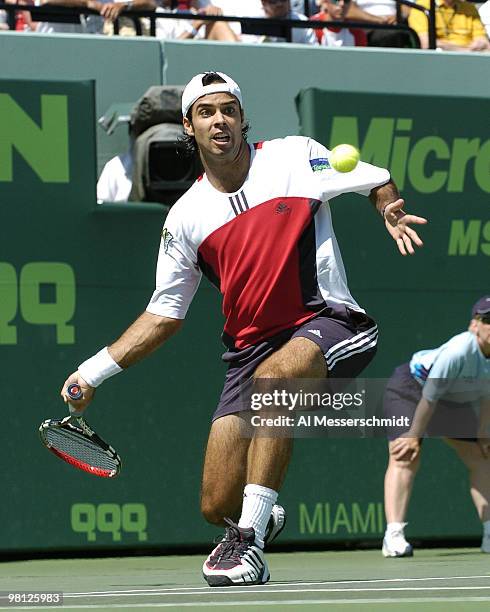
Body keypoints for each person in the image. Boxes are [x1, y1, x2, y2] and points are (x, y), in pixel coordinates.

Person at [61, 71, 426, 586]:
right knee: (216, 504)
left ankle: (249, 543)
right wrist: (91, 373)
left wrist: (388, 206)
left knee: (275, 385)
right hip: (248, 354)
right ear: (189, 126)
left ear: (242, 118)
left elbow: (375, 175)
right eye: (207, 112)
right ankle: (259, 513)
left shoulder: (294, 157)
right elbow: (163, 314)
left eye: (228, 109)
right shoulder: (185, 217)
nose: (220, 120)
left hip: (330, 323)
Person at [382, 296, 490, 558]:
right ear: (474, 325)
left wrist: (484, 434)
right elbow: (429, 397)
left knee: (480, 456)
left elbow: (487, 397)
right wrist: (414, 436)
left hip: (448, 400)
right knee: (407, 454)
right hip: (410, 390)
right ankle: (393, 536)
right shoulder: (459, 351)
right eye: (488, 321)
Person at [408, 0, 490, 51]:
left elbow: (484, 42)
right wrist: (466, 50)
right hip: (440, 59)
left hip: (473, 58)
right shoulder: (423, 6)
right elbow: (426, 44)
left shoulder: (469, 8)